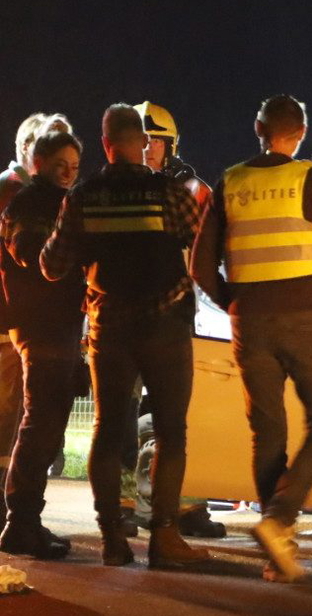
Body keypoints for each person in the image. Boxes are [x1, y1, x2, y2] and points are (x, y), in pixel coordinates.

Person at [190, 95, 312, 583]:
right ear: (301, 132)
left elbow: (200, 266)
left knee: (268, 433)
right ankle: (280, 520)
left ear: (258, 128)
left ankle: (276, 552)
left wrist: (235, 303)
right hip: (308, 316)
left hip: (252, 321)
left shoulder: (231, 182)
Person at [41, 105, 208, 569]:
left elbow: (52, 265)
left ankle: (113, 538)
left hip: (109, 331)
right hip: (166, 326)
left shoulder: (83, 196)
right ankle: (165, 539)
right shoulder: (168, 191)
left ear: (106, 144)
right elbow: (195, 239)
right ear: (142, 143)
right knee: (173, 432)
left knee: (108, 431)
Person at [126, 100, 223, 538]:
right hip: (128, 317)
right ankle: (124, 505)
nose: (147, 148)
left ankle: (187, 505)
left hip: (182, 316)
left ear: (171, 145)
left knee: (185, 414)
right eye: (140, 140)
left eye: (155, 141)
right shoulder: (116, 188)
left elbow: (210, 252)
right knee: (123, 418)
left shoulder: (193, 190)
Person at [0, 130, 84, 559]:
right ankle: (20, 522)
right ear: (39, 164)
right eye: (60, 166)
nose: (69, 174)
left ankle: (26, 520)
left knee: (47, 424)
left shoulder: (58, 202)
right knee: (40, 423)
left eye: (74, 167)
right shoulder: (29, 205)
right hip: (40, 325)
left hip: (60, 324)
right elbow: (30, 253)